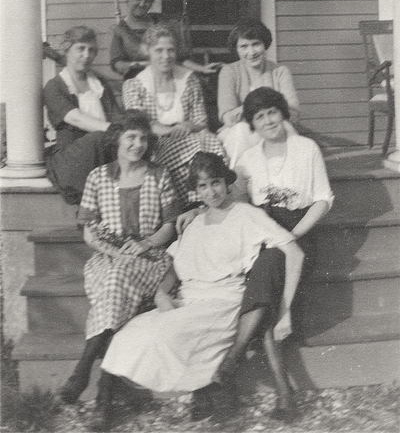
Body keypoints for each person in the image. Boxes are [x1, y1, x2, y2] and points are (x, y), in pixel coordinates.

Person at [90, 152, 303, 431]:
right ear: (196, 190)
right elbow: (175, 265)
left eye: (215, 183)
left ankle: (211, 390)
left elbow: (294, 252)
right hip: (187, 299)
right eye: (202, 186)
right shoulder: (193, 222)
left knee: (167, 334)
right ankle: (107, 405)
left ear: (226, 183)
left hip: (222, 299)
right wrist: (161, 293)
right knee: (130, 334)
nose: (211, 191)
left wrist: (284, 311)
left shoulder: (247, 215)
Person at [216, 87, 334, 419]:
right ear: (251, 124)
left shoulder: (306, 148)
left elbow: (323, 200)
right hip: (265, 235)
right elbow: (229, 198)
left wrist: (290, 235)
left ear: (282, 112)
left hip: (300, 233)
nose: (268, 120)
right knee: (266, 293)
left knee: (265, 281)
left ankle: (235, 358)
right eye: (259, 116)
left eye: (272, 112)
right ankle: (284, 397)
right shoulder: (248, 160)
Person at [59, 110, 180, 405]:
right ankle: (105, 387)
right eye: (131, 137)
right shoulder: (98, 177)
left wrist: (146, 244)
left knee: (114, 283)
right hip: (107, 257)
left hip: (149, 259)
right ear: (116, 139)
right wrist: (113, 252)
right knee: (113, 278)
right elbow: (89, 233)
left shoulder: (159, 175)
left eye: (142, 138)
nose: (137, 144)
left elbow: (171, 224)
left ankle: (83, 369)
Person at [122, 23, 225, 207]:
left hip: (189, 137)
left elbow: (201, 121)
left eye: (170, 50)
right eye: (159, 50)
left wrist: (187, 126)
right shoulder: (134, 85)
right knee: (201, 147)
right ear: (147, 51)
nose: (165, 56)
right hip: (154, 144)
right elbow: (138, 125)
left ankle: (206, 203)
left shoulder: (189, 79)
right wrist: (170, 130)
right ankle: (187, 206)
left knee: (208, 141)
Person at [44, 26, 120, 205]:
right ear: (67, 50)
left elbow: (116, 115)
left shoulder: (99, 83)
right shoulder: (55, 86)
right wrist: (112, 129)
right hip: (72, 157)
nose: (87, 55)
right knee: (99, 138)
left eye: (91, 50)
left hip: (104, 147)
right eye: (81, 48)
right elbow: (74, 117)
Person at [217, 19, 300, 166]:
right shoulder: (229, 72)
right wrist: (265, 105)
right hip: (237, 134)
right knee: (241, 131)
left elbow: (292, 112)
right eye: (244, 46)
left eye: (256, 44)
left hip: (273, 128)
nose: (251, 52)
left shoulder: (280, 72)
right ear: (236, 49)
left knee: (286, 130)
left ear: (264, 45)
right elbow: (228, 118)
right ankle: (237, 183)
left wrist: (249, 111)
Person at [110, 0, 221, 80]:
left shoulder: (162, 23)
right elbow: (117, 64)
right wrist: (142, 64)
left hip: (169, 79)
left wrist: (202, 68)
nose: (142, 3)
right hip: (137, 81)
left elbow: (180, 58)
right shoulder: (120, 29)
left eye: (148, 0)